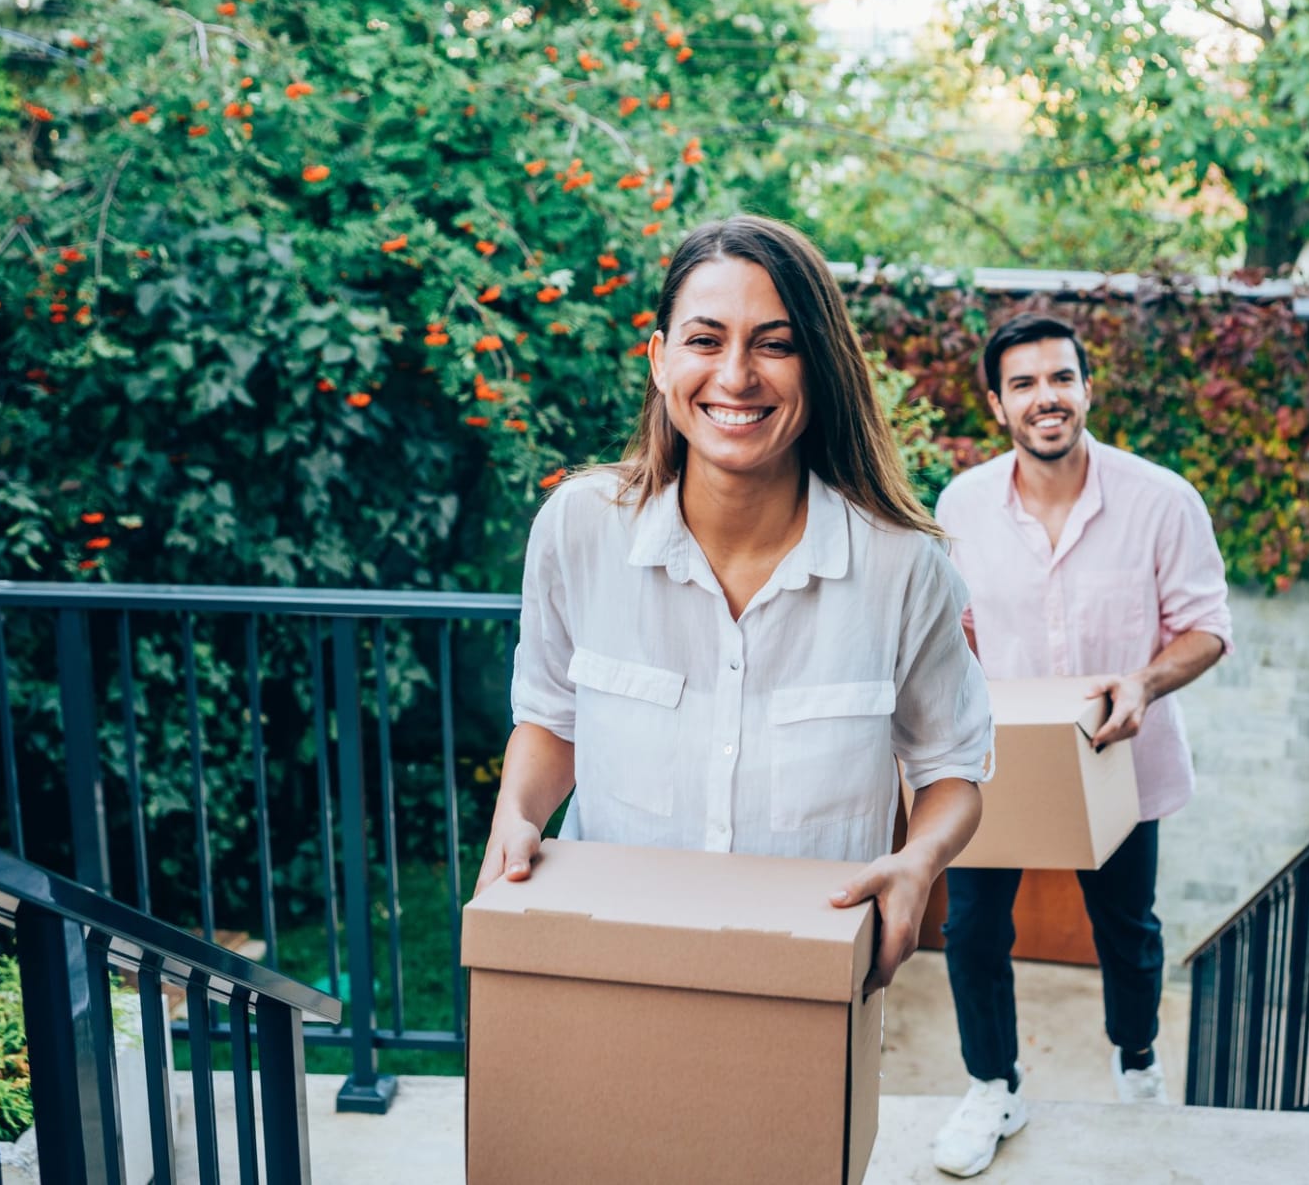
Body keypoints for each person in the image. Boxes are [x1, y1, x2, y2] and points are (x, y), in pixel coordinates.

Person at [476, 214, 993, 994]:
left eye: (775, 345)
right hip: (604, 960)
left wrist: (918, 863)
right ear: (659, 359)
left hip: (803, 979)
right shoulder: (577, 530)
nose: (737, 376)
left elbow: (951, 765)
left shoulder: (904, 568)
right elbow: (551, 717)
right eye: (706, 340)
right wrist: (516, 813)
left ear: (817, 366)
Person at [929, 313, 1232, 1178]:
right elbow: (960, 632)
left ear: (1087, 388)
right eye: (1022, 384)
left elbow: (1207, 627)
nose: (1045, 398)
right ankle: (993, 1086)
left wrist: (1142, 682)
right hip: (1003, 763)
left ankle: (1136, 1061)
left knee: (1127, 932)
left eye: (1060, 378)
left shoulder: (1162, 500)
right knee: (974, 930)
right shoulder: (962, 505)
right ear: (997, 404)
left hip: (1120, 761)